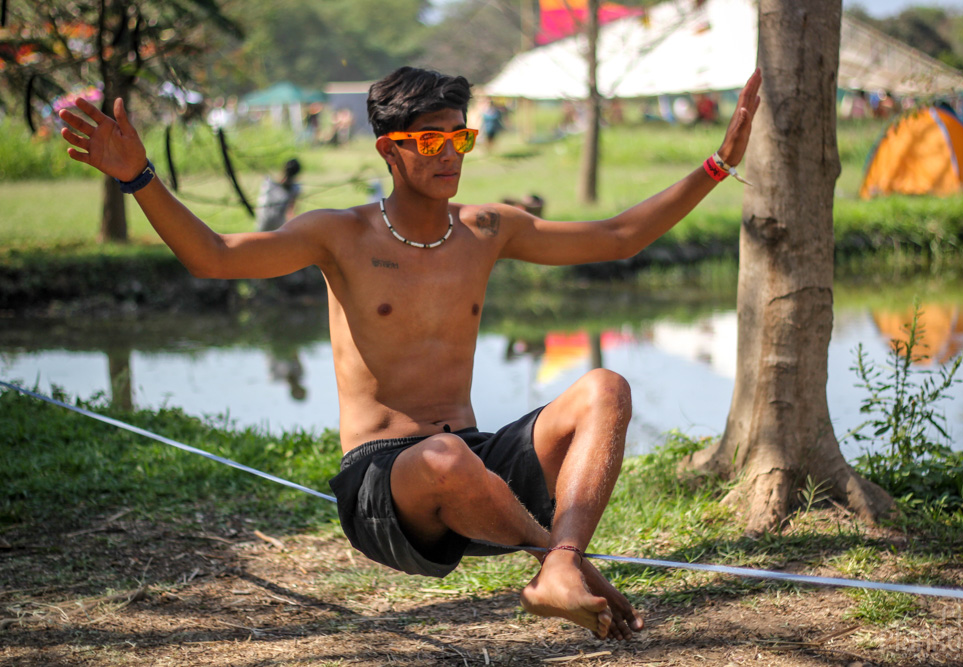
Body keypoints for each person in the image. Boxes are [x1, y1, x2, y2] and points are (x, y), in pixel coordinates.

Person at [58, 65, 761, 641]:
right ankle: (559, 562)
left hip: (472, 469)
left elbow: (616, 238)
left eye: (461, 138)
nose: (450, 153)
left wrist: (718, 163)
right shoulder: (341, 234)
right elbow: (213, 257)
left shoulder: (487, 229)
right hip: (382, 490)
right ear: (388, 149)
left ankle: (563, 565)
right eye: (430, 142)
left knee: (604, 386)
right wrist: (138, 175)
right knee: (445, 458)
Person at [255, 158, 301, 232]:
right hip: (279, 226)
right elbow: (291, 212)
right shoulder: (295, 189)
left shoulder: (268, 183)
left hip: (263, 221)